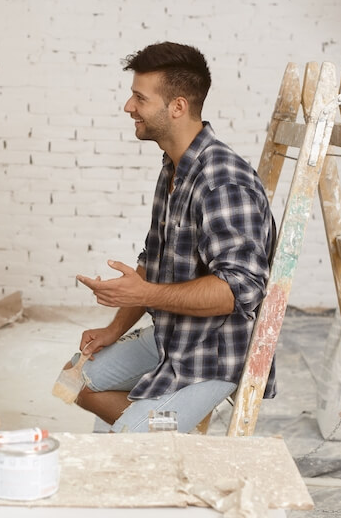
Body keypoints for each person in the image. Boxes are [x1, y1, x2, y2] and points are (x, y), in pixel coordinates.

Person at [67, 41, 276, 433]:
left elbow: (240, 291)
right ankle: (164, 432)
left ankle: (151, 432)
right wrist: (114, 328)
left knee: (132, 435)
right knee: (74, 379)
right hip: (171, 336)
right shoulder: (173, 167)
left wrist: (143, 294)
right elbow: (152, 262)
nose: (129, 107)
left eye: (139, 98)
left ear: (176, 107)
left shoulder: (223, 182)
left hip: (212, 353)